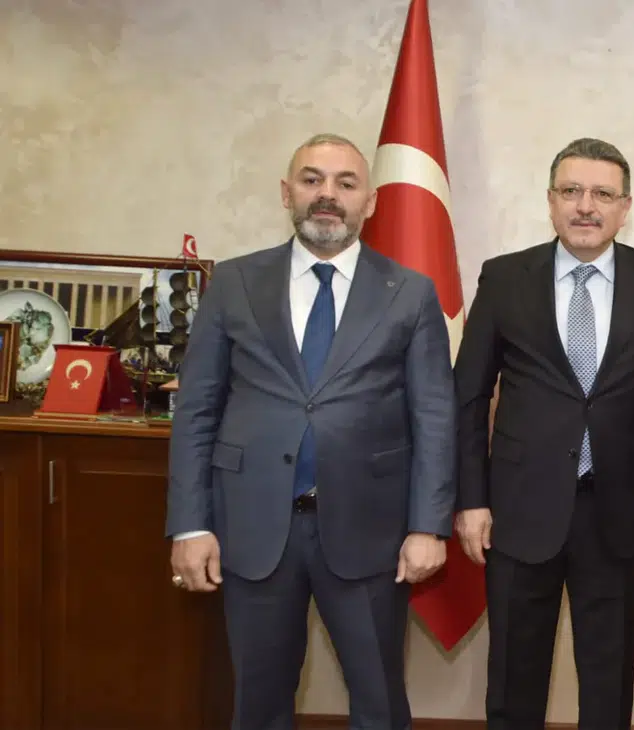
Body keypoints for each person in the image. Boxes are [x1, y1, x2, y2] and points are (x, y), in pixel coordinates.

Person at [165, 133, 457, 730]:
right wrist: (191, 525)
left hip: (370, 532)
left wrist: (428, 526)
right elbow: (196, 410)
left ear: (370, 201)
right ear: (286, 192)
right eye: (312, 179)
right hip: (253, 528)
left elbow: (434, 417)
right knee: (259, 702)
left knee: (378, 701)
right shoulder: (234, 283)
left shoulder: (410, 293)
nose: (328, 194)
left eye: (346, 183)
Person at [452, 137, 634, 729]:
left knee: (608, 685)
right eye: (572, 191)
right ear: (550, 200)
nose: (586, 206)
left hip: (620, 513)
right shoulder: (505, 278)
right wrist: (471, 500)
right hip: (518, 511)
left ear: (625, 206)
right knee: (513, 682)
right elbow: (467, 399)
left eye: (602, 194)